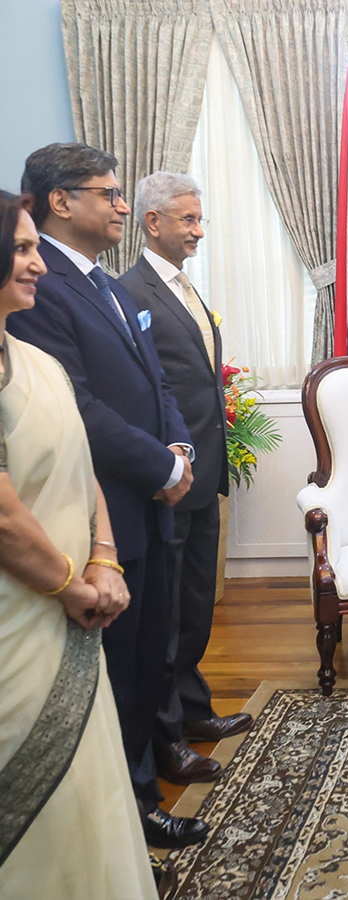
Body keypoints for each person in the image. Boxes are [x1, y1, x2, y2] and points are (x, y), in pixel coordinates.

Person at [7, 143, 209, 850]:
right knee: (116, 672)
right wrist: (159, 463)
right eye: (110, 193)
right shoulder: (38, 291)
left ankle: (141, 799)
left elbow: (157, 385)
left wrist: (177, 450)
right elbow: (79, 409)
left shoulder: (108, 284)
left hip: (149, 502)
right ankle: (123, 818)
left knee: (149, 660)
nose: (124, 206)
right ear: (61, 200)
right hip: (102, 517)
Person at [0, 190, 156, 899]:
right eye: (23, 249)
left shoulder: (37, 362)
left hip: (77, 601)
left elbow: (80, 462)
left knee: (88, 780)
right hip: (22, 618)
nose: (37, 264)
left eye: (36, 247)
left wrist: (104, 555)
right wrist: (73, 588)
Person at [120, 172, 251, 788]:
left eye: (200, 219)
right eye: (188, 221)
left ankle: (194, 712)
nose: (199, 231)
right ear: (153, 222)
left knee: (196, 606)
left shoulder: (184, 287)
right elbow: (143, 392)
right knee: (166, 616)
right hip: (171, 477)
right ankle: (166, 737)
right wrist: (169, 459)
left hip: (205, 472)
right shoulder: (130, 291)